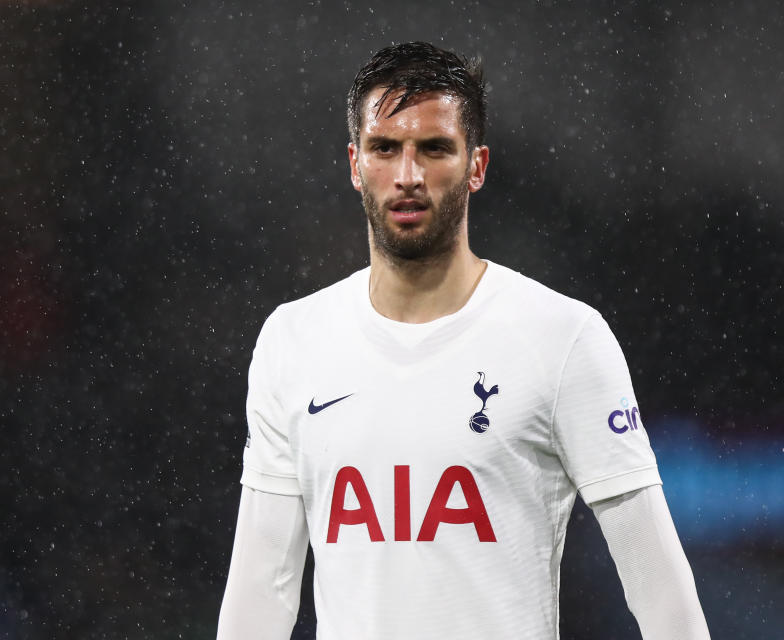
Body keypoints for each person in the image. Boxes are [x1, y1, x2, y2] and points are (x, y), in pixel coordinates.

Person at [218, 41, 710, 639]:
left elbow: (659, 590)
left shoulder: (563, 339)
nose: (407, 176)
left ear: (475, 166)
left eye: (433, 149)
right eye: (384, 148)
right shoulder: (292, 341)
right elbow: (259, 593)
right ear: (354, 163)